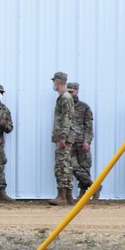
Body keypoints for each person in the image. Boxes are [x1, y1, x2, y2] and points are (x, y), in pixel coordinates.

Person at [49, 71, 75, 205]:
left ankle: (62, 196)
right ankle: (69, 196)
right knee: (67, 165)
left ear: (57, 82)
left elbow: (67, 118)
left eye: (54, 81)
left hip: (64, 137)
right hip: (66, 136)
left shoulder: (65, 97)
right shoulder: (66, 97)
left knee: (61, 166)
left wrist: (63, 136)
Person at [67, 82, 95, 201]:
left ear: (77, 92)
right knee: (72, 166)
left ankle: (84, 192)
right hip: (69, 141)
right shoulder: (65, 105)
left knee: (84, 166)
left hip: (81, 141)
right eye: (68, 91)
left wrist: (87, 141)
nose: (70, 94)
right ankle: (94, 186)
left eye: (72, 91)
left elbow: (89, 126)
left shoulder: (84, 107)